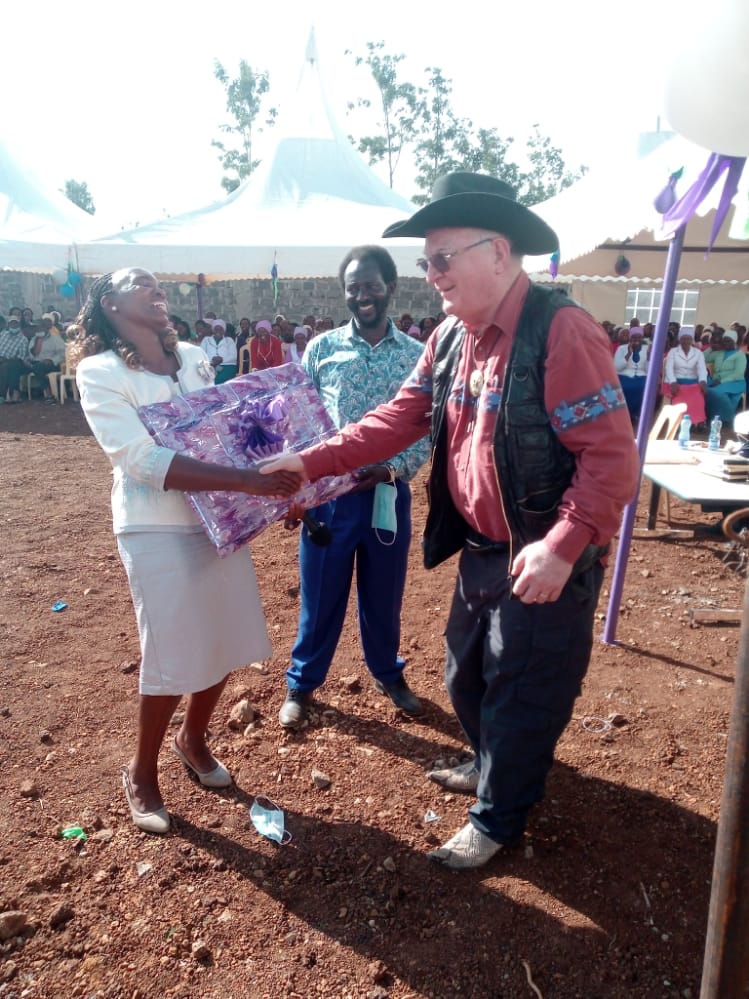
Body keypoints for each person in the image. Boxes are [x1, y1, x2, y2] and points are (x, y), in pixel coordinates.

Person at [262, 173, 640, 869]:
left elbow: (612, 457)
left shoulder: (560, 330)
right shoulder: (447, 339)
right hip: (480, 550)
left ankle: (497, 817)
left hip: (541, 552)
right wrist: (307, 462)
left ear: (497, 252)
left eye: (441, 258)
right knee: (466, 673)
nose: (429, 274)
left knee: (523, 687)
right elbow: (391, 422)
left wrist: (563, 544)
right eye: (425, 261)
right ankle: (487, 760)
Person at [74, 267, 300, 835]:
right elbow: (139, 460)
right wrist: (250, 483)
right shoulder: (99, 372)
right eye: (140, 283)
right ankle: (141, 772)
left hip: (218, 517)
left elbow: (231, 431)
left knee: (225, 635)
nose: (158, 290)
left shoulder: (196, 356)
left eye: (160, 284)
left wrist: (281, 485)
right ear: (109, 302)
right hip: (154, 525)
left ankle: (192, 738)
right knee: (172, 648)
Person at [278, 246, 430, 730]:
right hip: (329, 499)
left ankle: (388, 673)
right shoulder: (322, 348)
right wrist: (297, 490)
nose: (361, 295)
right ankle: (301, 685)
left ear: (391, 287)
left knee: (383, 594)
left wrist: (392, 471)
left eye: (370, 285)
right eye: (353, 287)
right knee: (320, 595)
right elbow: (299, 422)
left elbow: (428, 427)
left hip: (386, 493)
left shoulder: (416, 356)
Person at [663, 326, 708, 426]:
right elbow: (669, 369)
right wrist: (673, 382)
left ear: (692, 340)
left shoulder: (698, 353)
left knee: (698, 395)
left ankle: (699, 421)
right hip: (675, 381)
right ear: (680, 339)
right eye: (683, 338)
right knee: (680, 394)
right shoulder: (673, 351)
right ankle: (679, 422)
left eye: (688, 338)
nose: (686, 341)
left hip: (692, 381)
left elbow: (702, 369)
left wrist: (703, 381)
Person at [705, 329, 747, 427]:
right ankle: (710, 416)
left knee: (715, 392)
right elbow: (703, 358)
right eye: (724, 340)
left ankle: (727, 418)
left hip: (735, 382)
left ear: (734, 341)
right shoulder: (719, 353)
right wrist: (711, 348)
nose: (726, 343)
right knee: (702, 388)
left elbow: (738, 374)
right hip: (716, 380)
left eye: (728, 340)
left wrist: (721, 381)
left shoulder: (740, 355)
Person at [613, 325, 650, 423]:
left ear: (642, 338)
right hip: (624, 374)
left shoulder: (647, 348)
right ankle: (625, 415)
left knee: (644, 388)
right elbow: (616, 367)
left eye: (639, 337)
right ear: (630, 338)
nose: (636, 339)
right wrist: (628, 354)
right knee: (625, 387)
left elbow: (648, 370)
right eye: (634, 337)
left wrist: (649, 359)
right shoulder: (622, 348)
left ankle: (637, 415)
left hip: (642, 375)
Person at [28, 313, 67, 402]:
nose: (38, 329)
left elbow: (62, 353)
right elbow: (31, 355)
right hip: (37, 364)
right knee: (36, 366)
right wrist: (38, 342)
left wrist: (51, 360)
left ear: (45, 328)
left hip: (52, 364)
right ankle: (47, 392)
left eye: (40, 327)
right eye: (36, 328)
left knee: (37, 367)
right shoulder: (34, 339)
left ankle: (49, 393)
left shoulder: (55, 338)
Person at [0, 315, 31, 402]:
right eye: (11, 323)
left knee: (6, 366)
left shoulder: (23, 339)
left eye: (15, 324)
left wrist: (5, 359)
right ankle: (11, 393)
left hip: (10, 362)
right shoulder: (2, 334)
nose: (13, 325)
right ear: (8, 325)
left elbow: (20, 357)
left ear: (19, 325)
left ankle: (3, 395)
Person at [200, 318, 237, 383]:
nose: (218, 331)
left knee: (222, 380)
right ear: (213, 330)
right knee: (207, 380)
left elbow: (233, 356)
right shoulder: (206, 340)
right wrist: (212, 362)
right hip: (209, 364)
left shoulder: (229, 340)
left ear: (224, 330)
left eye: (221, 329)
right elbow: (201, 354)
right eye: (216, 329)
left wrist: (221, 360)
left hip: (227, 365)